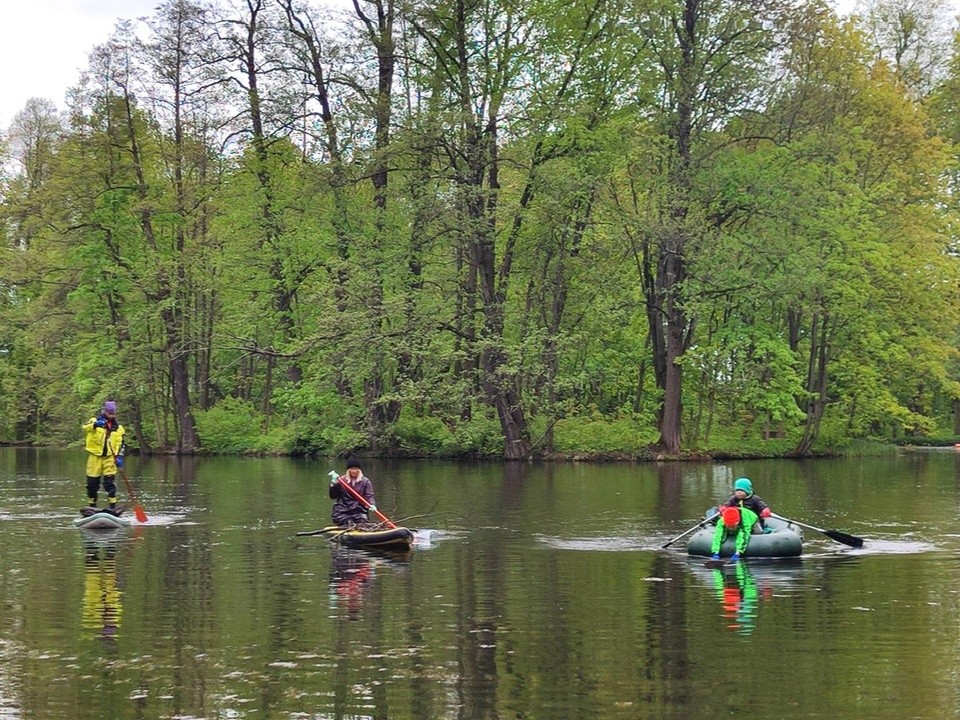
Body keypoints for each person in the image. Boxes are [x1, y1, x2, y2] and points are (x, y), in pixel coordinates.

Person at [82, 400, 126, 514]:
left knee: (109, 483)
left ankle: (112, 506)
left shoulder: (118, 428)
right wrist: (95, 425)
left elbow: (121, 443)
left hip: (110, 458)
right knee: (92, 484)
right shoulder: (94, 421)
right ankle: (92, 505)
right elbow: (85, 428)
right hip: (95, 456)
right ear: (105, 411)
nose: (111, 415)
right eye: (109, 412)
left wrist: (119, 456)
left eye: (113, 413)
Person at [329, 456, 377, 527]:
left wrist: (372, 504)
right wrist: (333, 484)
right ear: (348, 470)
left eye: (356, 469)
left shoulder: (365, 481)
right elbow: (333, 496)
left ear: (359, 470)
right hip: (342, 510)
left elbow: (369, 495)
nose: (354, 471)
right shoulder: (341, 480)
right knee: (348, 523)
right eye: (352, 469)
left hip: (359, 510)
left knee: (362, 522)